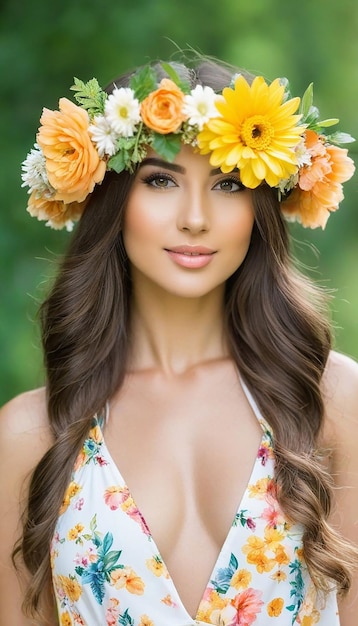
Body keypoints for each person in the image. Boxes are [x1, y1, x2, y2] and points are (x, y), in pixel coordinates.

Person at [0, 55, 357, 626]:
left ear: (258, 209)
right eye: (161, 180)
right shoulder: (30, 433)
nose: (195, 217)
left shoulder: (331, 398)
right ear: (112, 201)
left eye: (227, 183)